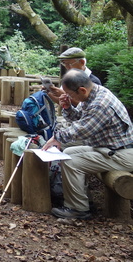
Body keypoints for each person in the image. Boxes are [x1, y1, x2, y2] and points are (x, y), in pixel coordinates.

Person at [41, 69, 133, 220]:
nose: (68, 97)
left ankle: (78, 209)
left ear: (82, 89)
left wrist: (56, 137)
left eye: (70, 94)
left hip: (123, 154)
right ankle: (83, 200)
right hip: (107, 148)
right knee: (69, 152)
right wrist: (67, 107)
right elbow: (80, 119)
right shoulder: (94, 93)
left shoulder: (101, 104)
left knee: (71, 162)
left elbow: (82, 130)